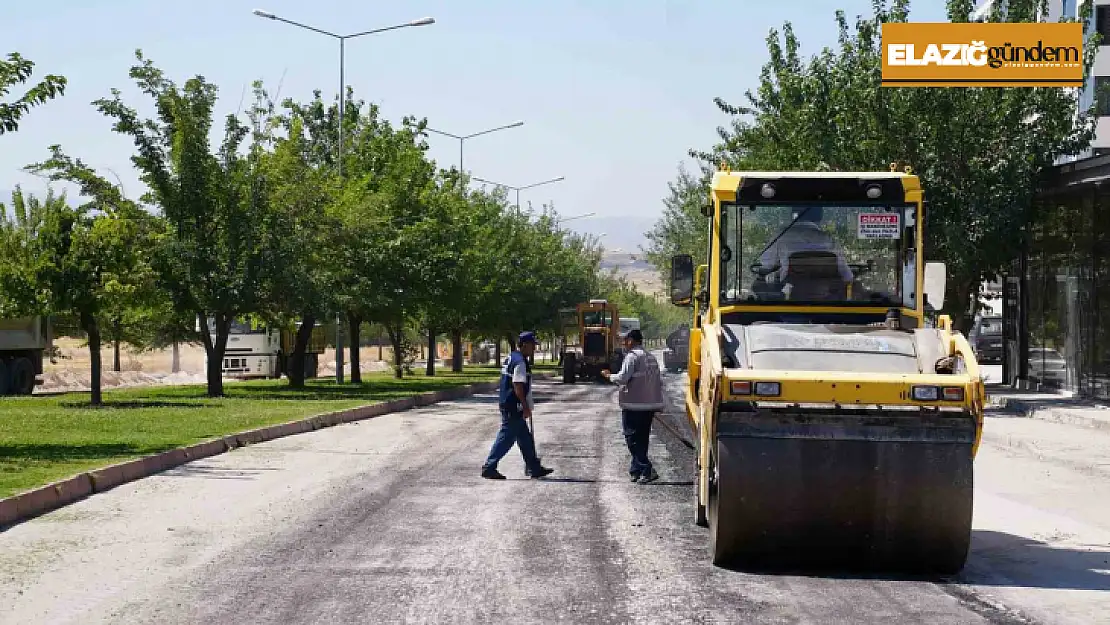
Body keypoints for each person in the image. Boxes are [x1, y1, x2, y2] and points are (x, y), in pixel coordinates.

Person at [481, 331, 554, 480]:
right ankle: (489, 467)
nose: (534, 349)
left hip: (508, 402)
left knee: (525, 438)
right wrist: (525, 405)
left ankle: (534, 467)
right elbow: (518, 385)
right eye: (533, 345)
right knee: (506, 437)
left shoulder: (512, 357)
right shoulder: (520, 362)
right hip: (513, 405)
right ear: (525, 345)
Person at [602, 329, 665, 484]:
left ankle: (646, 469)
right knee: (642, 440)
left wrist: (609, 376)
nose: (623, 343)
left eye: (625, 340)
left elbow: (623, 378)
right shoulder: (650, 357)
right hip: (648, 405)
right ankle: (635, 470)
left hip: (634, 405)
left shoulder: (632, 357)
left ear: (631, 340)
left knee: (631, 438)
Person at [759, 206, 854, 287]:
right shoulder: (829, 240)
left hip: (790, 296)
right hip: (825, 298)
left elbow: (767, 263)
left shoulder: (781, 235)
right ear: (819, 217)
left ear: (794, 215)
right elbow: (847, 276)